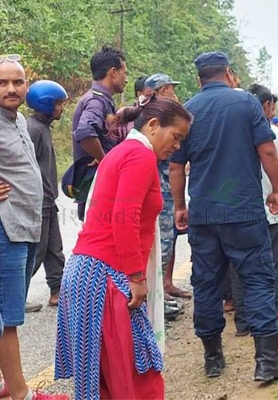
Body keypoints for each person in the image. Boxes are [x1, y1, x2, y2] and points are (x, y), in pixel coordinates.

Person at [55, 95, 191, 400]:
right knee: (136, 376)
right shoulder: (139, 156)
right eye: (176, 136)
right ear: (153, 125)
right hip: (106, 276)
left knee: (107, 379)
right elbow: (125, 217)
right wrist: (136, 276)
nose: (177, 146)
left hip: (89, 272)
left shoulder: (122, 152)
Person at [169, 52, 278, 382]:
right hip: (244, 212)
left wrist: (180, 206)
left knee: (207, 284)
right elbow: (267, 150)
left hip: (204, 214)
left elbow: (176, 166)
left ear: (199, 79)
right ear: (228, 72)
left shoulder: (187, 110)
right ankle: (267, 361)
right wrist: (277, 191)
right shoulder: (247, 104)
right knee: (258, 280)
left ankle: (213, 359)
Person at [0, 56, 67, 400]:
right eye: (2, 83)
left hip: (25, 227)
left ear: (27, 86)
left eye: (17, 82)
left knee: (9, 315)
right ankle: (21, 393)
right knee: (6, 317)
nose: (11, 88)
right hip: (5, 229)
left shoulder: (20, 122)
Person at [232, 84, 278, 337]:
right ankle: (271, 319)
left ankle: (242, 321)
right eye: (273, 106)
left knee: (239, 266)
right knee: (270, 266)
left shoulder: (235, 132)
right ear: (266, 105)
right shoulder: (274, 135)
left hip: (240, 210)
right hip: (270, 211)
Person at [144, 73, 189, 318]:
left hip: (164, 189)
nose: (174, 93)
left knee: (166, 242)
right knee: (159, 245)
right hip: (158, 189)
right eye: (170, 89)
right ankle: (151, 303)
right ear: (161, 91)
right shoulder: (155, 122)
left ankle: (159, 295)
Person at [70, 46, 128, 221]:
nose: (126, 79)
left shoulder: (101, 99)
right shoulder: (96, 101)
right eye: (124, 73)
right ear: (113, 72)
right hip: (95, 185)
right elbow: (85, 131)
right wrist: (105, 160)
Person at [25, 81, 68, 309]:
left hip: (48, 200)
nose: (61, 108)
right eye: (58, 104)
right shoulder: (32, 129)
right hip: (37, 201)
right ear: (46, 104)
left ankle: (57, 291)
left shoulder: (43, 127)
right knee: (36, 251)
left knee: (54, 249)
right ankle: (13, 296)